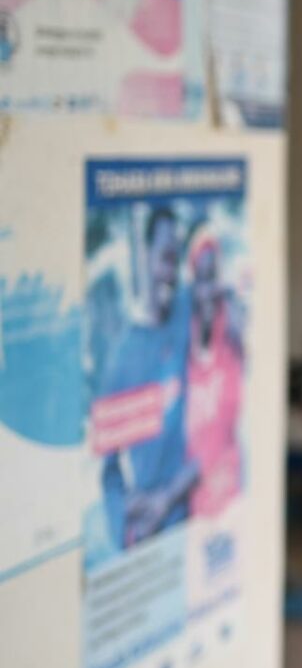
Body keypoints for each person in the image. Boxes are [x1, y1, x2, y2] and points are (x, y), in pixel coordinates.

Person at [97, 205, 198, 549]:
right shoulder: (121, 359)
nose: (171, 272)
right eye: (166, 258)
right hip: (155, 539)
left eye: (177, 260)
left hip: (200, 518)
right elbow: (109, 471)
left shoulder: (189, 314)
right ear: (145, 255)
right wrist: (129, 523)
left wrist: (167, 498)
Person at [184, 227, 245, 520]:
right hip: (191, 504)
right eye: (202, 279)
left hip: (230, 498)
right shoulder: (182, 348)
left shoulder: (232, 342)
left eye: (214, 278)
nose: (209, 291)